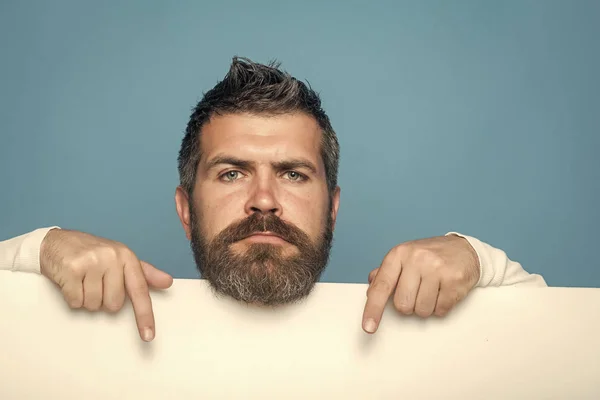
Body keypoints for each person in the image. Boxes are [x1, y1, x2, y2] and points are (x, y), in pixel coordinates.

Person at [0, 57, 547, 343]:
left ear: (332, 207)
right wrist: (40, 248)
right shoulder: (91, 334)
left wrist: (471, 255)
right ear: (185, 210)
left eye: (292, 173)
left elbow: (563, 345)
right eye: (233, 172)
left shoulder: (420, 338)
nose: (264, 200)